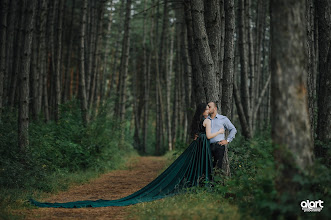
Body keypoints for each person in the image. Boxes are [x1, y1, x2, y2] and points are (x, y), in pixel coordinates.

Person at [29, 103, 224, 208]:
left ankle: (199, 183)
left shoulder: (203, 119)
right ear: (204, 111)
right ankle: (201, 184)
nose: (209, 109)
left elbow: (199, 134)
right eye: (207, 107)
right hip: (202, 145)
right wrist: (219, 133)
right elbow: (207, 135)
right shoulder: (207, 121)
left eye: (209, 107)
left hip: (200, 146)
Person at [207, 101, 237, 170]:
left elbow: (233, 129)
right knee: (206, 165)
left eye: (209, 107)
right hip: (207, 145)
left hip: (219, 146)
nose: (208, 108)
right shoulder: (206, 119)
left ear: (215, 108)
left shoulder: (223, 119)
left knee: (218, 166)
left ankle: (216, 180)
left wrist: (227, 140)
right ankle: (205, 180)